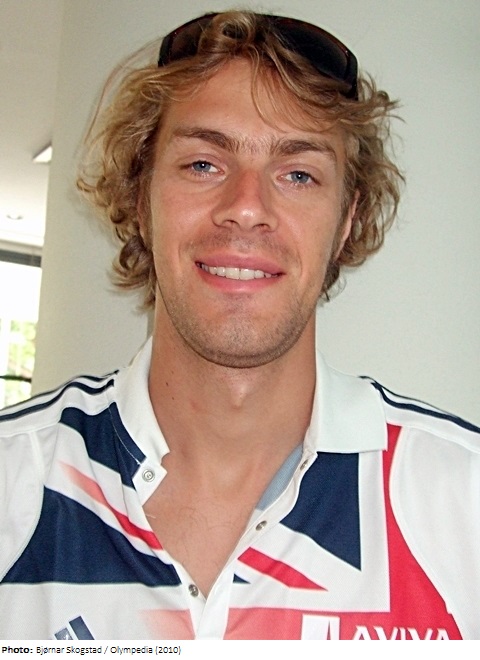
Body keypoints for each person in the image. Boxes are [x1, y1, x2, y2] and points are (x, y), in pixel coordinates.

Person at [0, 10, 478, 641]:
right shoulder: (14, 481)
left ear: (345, 221)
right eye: (204, 164)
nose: (247, 208)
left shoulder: (462, 502)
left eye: (298, 174)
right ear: (142, 199)